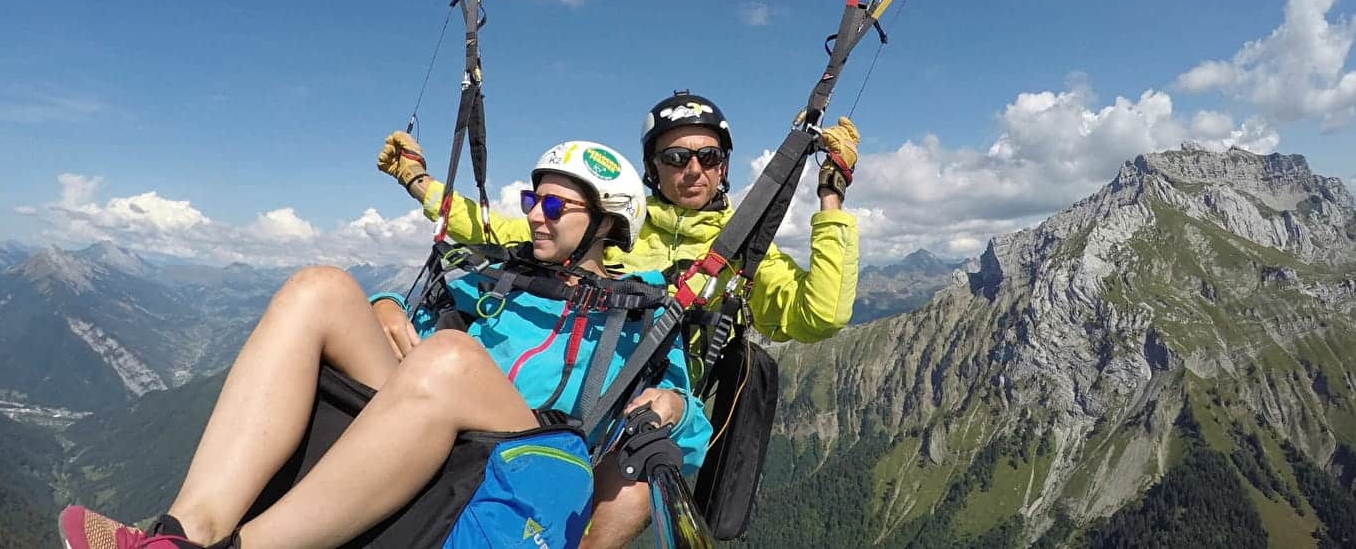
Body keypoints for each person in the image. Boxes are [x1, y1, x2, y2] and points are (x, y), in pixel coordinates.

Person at [59, 140, 709, 549]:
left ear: (604, 226)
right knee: (322, 288)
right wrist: (388, 313)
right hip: (432, 428)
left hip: (525, 457)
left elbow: (690, 423)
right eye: (534, 198)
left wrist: (674, 408)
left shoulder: (643, 309)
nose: (536, 212)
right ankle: (182, 534)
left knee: (451, 360)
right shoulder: (502, 279)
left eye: (557, 206)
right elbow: (427, 336)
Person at [387, 91, 861, 547]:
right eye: (676, 157)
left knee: (628, 493)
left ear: (724, 165)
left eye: (709, 157)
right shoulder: (615, 222)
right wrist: (418, 181)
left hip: (644, 412)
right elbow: (499, 232)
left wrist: (831, 196)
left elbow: (820, 313)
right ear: (653, 168)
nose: (694, 169)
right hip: (565, 384)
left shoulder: (746, 252)